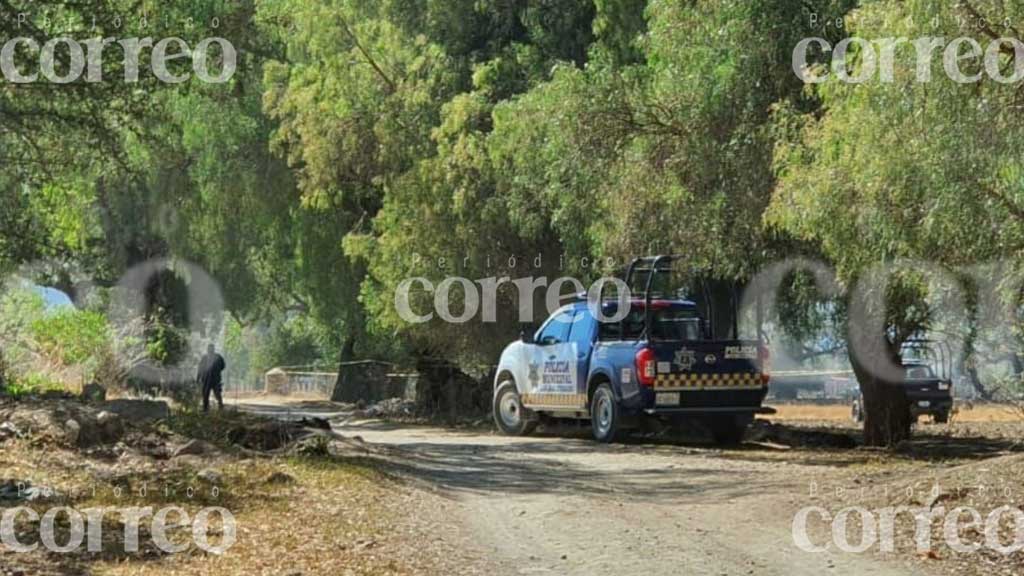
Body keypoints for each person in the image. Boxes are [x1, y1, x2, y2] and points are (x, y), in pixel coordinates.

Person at [196, 344, 226, 412]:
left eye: (211, 349)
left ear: (213, 349)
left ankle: (220, 406)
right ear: (207, 350)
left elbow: (223, 366)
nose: (210, 350)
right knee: (205, 394)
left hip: (215, 379)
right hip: (207, 379)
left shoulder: (218, 357)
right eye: (209, 349)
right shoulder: (205, 358)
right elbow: (200, 369)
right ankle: (205, 408)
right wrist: (198, 378)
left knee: (217, 394)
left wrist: (217, 370)